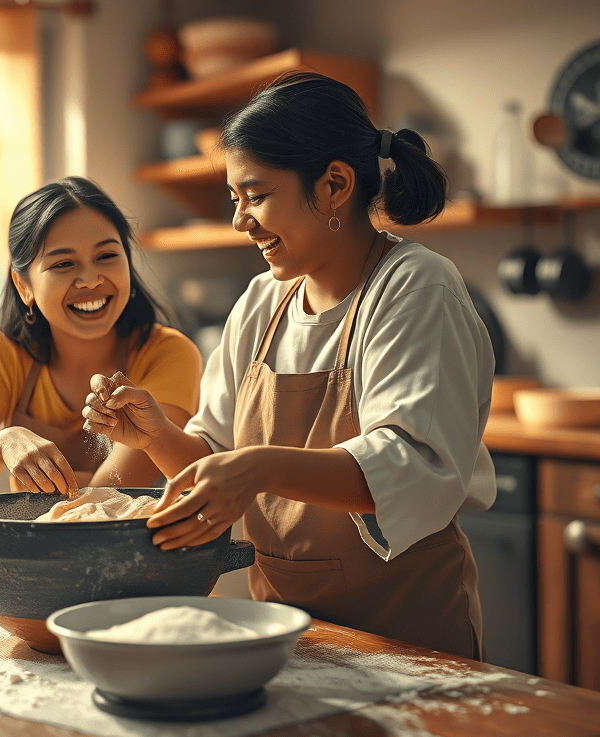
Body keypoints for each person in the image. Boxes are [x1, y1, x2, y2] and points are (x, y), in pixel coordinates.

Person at [83, 72, 497, 660]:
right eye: (234, 200)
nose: (239, 220)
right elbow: (214, 461)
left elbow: (409, 465)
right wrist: (157, 436)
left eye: (255, 195)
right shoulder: (261, 302)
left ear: (334, 185)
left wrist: (256, 467)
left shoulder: (415, 286)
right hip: (286, 633)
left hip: (406, 634)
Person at [0, 176, 203, 514]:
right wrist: (2, 443)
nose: (91, 280)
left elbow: (105, 502)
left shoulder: (168, 353)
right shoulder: (4, 353)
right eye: (63, 263)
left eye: (107, 256)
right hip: (35, 544)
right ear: (24, 286)